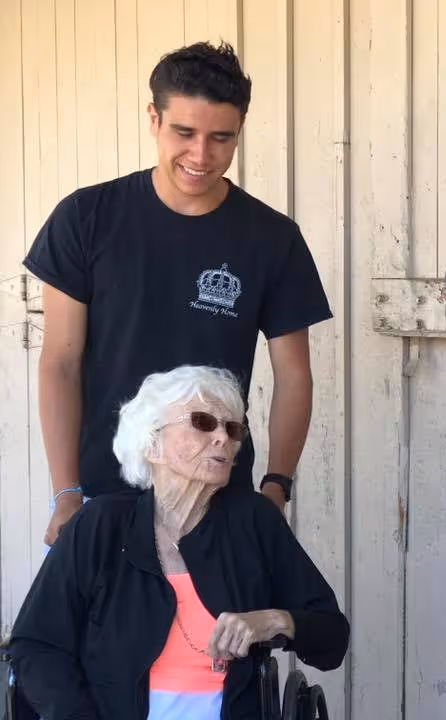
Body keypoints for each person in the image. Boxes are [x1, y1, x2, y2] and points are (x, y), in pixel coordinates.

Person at [24, 40, 330, 547]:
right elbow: (60, 362)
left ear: (239, 132)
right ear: (154, 118)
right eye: (184, 132)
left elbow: (294, 375)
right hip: (104, 498)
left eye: (221, 138)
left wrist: (276, 486)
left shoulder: (272, 238)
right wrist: (66, 492)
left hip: (218, 496)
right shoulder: (86, 218)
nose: (201, 155)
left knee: (218, 629)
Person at [7, 365, 350, 719]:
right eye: (202, 422)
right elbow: (35, 645)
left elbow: (332, 637)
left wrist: (275, 620)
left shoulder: (253, 520)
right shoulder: (100, 525)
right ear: (151, 443)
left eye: (232, 429)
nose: (223, 438)